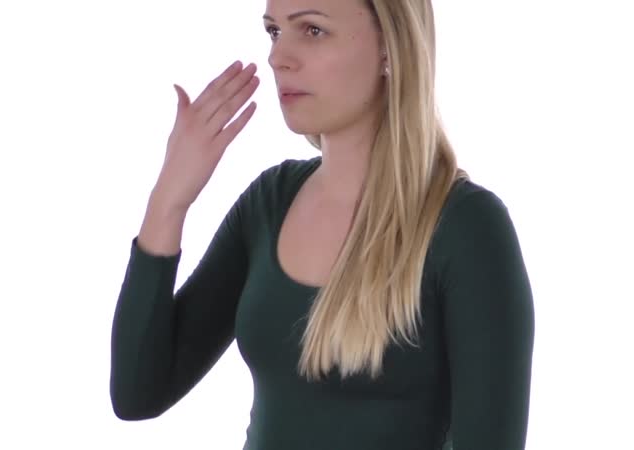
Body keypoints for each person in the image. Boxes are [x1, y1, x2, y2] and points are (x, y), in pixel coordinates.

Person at [110, 0, 535, 449]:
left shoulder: (466, 228)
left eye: (312, 30)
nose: (278, 57)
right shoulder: (270, 202)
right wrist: (169, 201)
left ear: (390, 46)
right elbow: (138, 393)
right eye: (274, 31)